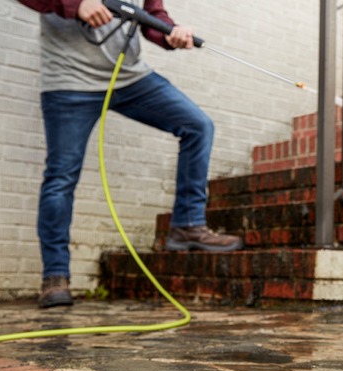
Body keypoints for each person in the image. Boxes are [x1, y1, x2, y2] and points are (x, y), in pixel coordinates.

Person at [17, 0, 242, 309]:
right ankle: (55, 277)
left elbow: (152, 15)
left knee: (197, 125)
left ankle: (187, 225)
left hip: (131, 78)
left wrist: (170, 33)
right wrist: (77, 3)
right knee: (61, 176)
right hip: (69, 82)